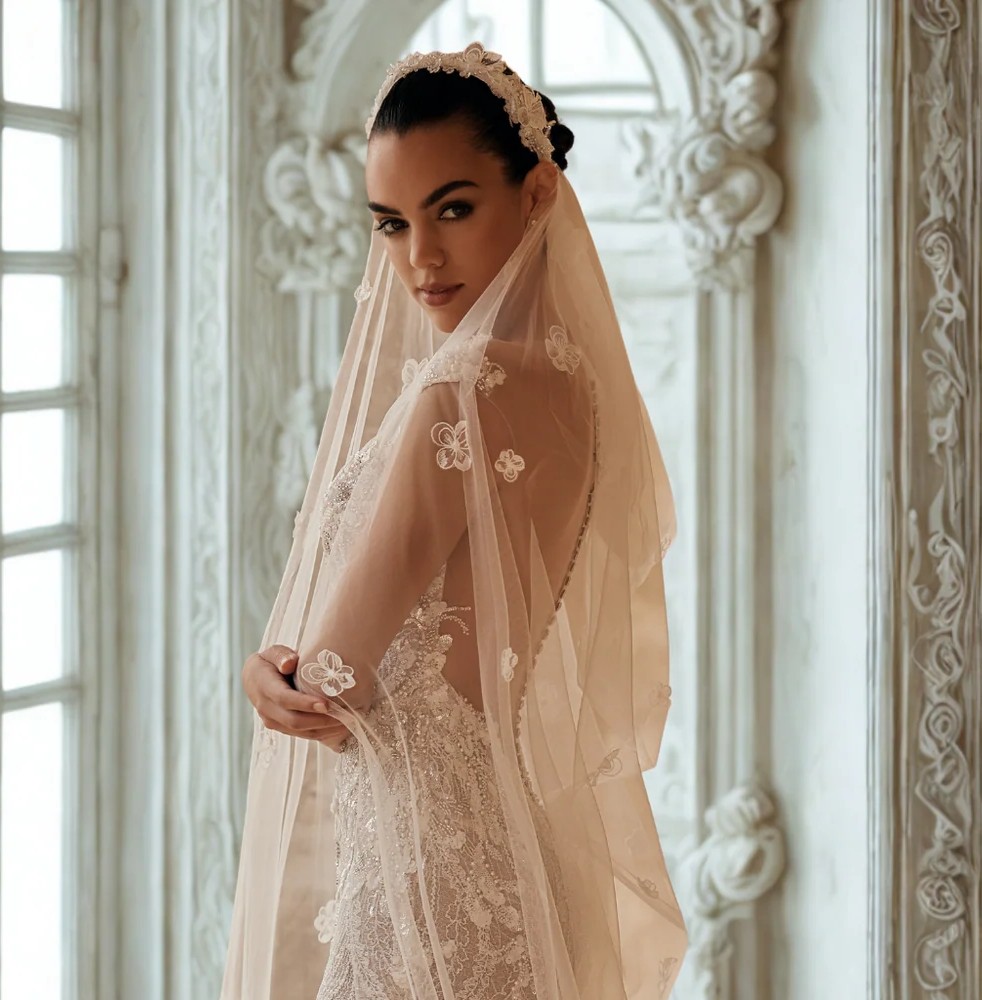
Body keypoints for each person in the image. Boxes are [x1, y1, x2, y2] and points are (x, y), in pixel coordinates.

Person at [221, 41, 687, 1000]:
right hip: (502, 858)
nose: (420, 259)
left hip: (424, 883)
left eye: (454, 209)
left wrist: (266, 674)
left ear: (538, 193)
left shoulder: (460, 397)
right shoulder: (571, 388)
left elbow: (335, 683)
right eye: (391, 224)